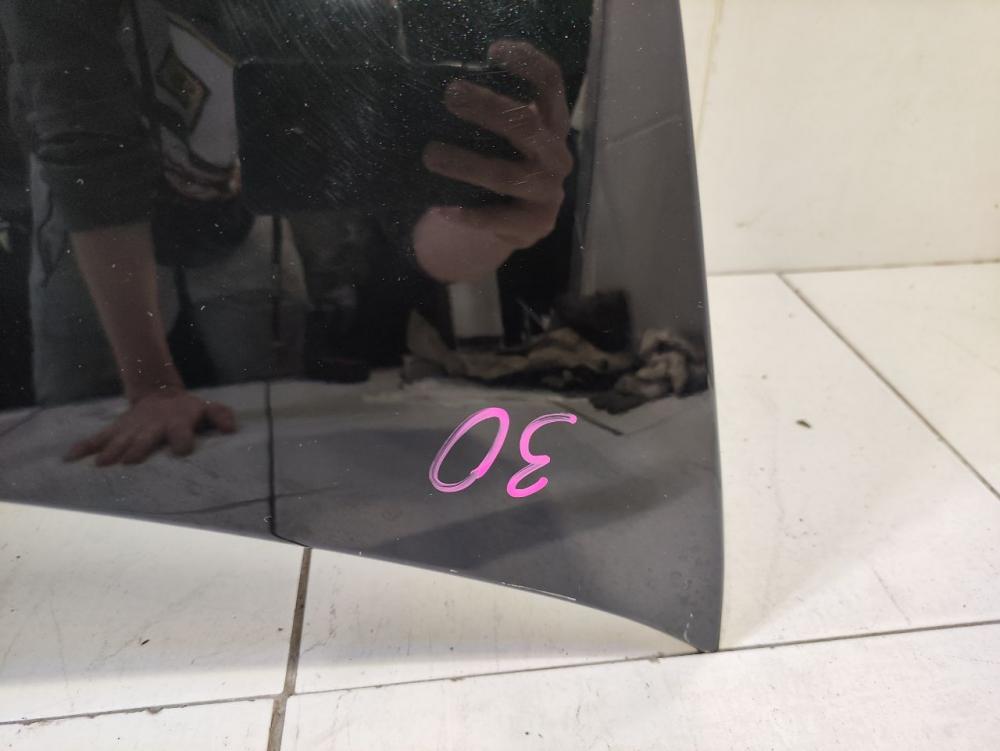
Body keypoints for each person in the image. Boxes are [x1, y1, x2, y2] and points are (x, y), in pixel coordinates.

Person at [1, 0, 574, 466]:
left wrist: (498, 224)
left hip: (229, 203)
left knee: (259, 408)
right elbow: (85, 152)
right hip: (88, 218)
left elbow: (402, 217)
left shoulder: (345, 13)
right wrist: (150, 384)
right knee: (83, 422)